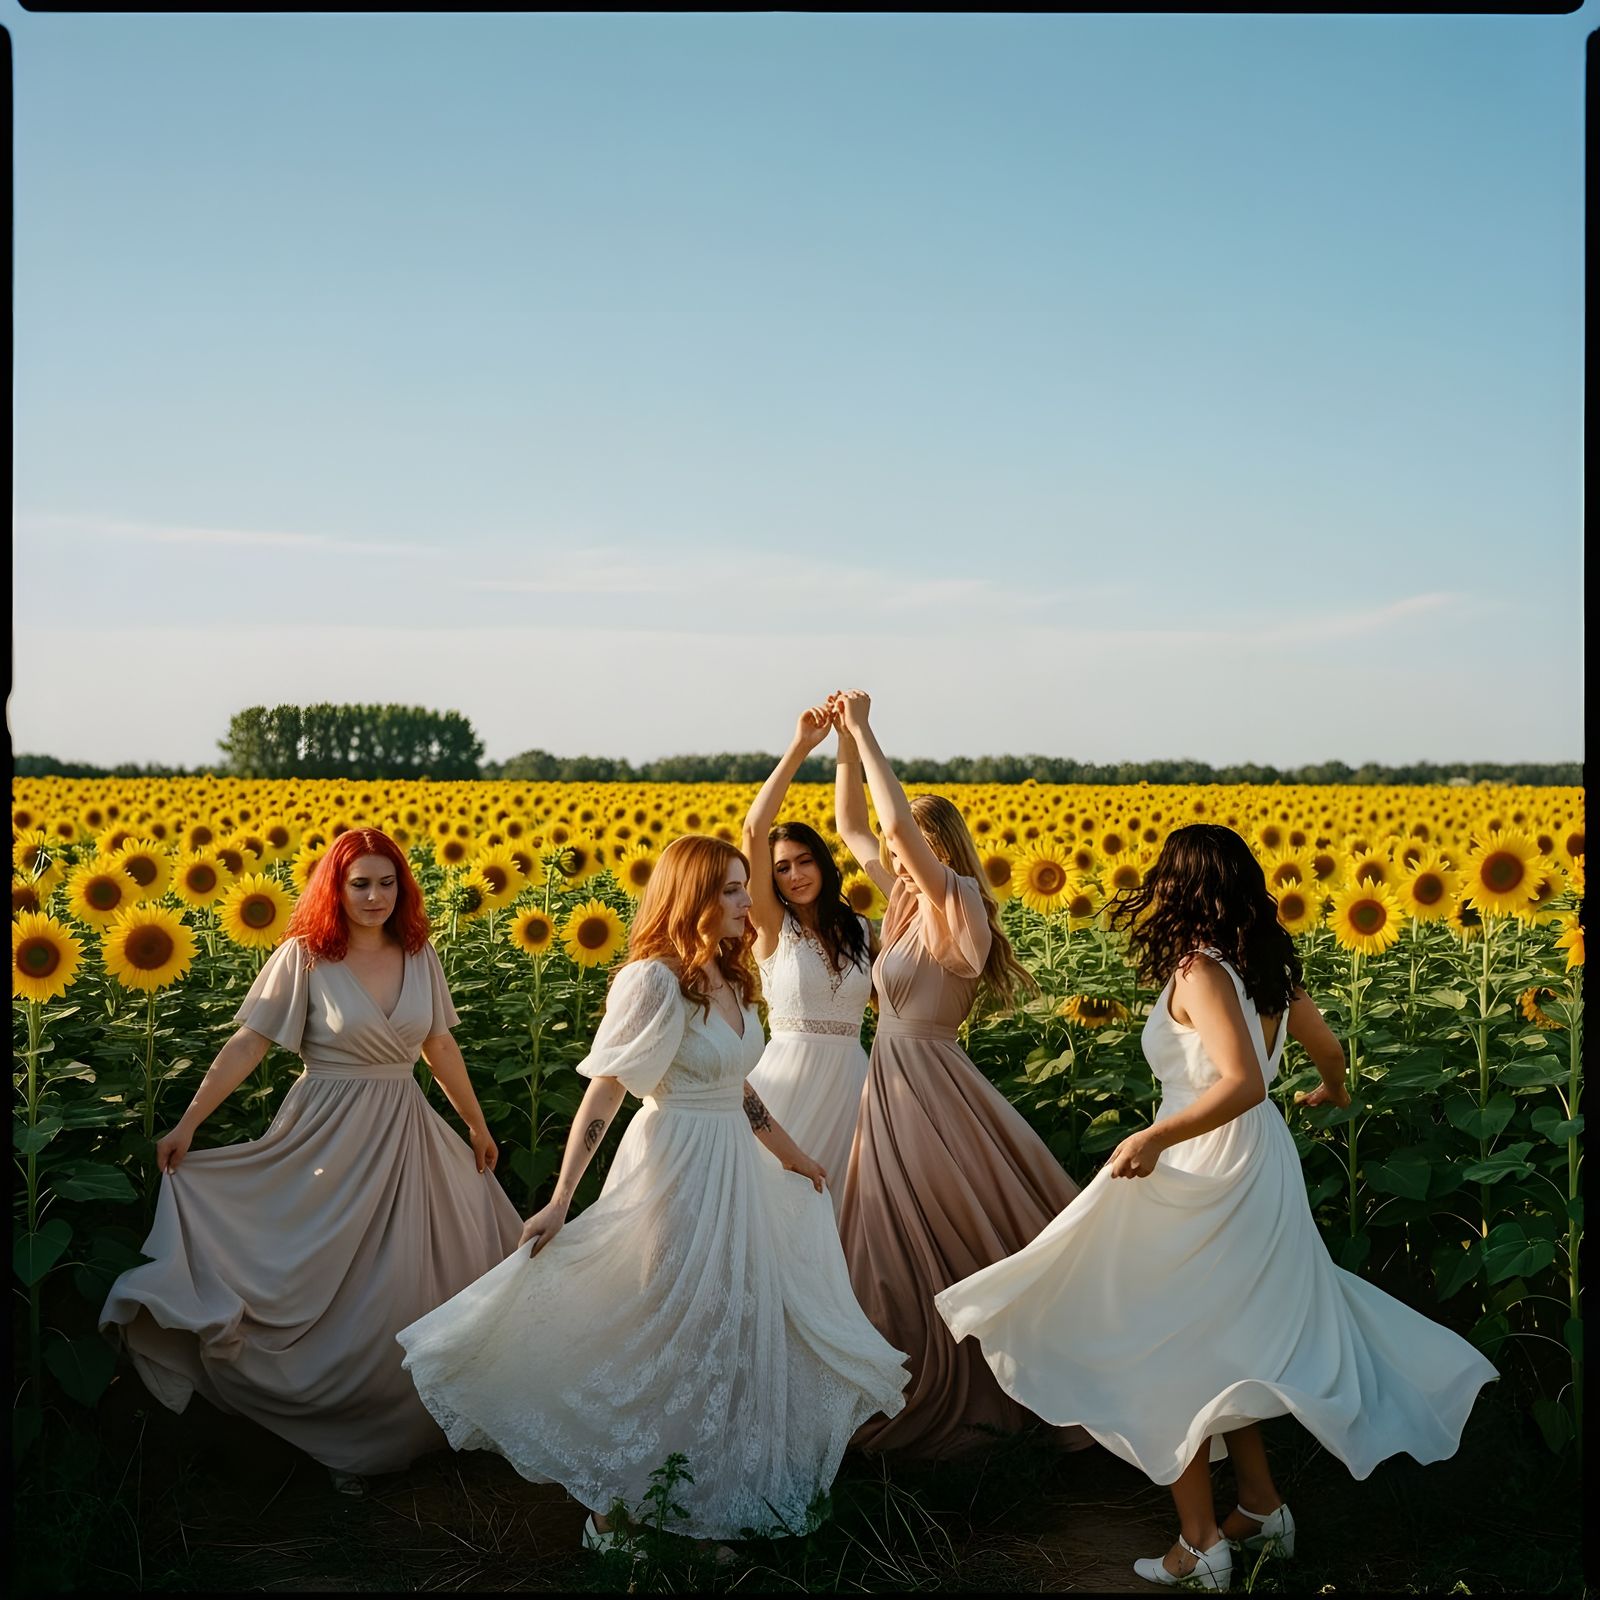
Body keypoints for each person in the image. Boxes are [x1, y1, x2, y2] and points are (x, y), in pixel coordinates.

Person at [935, 823, 1499, 1590]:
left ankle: (1200, 1544)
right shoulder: (1267, 965)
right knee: (1223, 1342)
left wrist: (1156, 1137)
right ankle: (1262, 1508)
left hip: (1203, 1164)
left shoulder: (1200, 969)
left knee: (1162, 1340)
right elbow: (1328, 1051)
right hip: (1258, 1163)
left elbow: (1242, 1083)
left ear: (1183, 886)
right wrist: (1330, 1092)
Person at [395, 834, 909, 1549]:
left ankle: (694, 1499)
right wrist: (561, 1197)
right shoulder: (652, 981)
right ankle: (610, 1509)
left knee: (724, 1324)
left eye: (742, 888)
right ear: (694, 896)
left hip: (736, 1166)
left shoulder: (733, 978)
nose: (746, 901)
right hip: (673, 1163)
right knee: (664, 1321)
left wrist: (793, 1155)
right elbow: (606, 1092)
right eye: (731, 890)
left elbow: (739, 1089)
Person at [100, 828, 523, 1494]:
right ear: (336, 886)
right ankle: (329, 1438)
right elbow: (249, 1045)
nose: (376, 896)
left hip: (406, 1133)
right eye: (361, 883)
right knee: (319, 1279)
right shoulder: (304, 957)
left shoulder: (420, 954)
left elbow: (439, 1046)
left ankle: (394, 1439)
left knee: (401, 1287)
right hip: (323, 1135)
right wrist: (189, 1123)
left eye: (388, 882)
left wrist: (475, 1123)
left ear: (403, 888)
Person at [828, 689, 1090, 1461]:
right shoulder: (907, 901)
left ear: (933, 845)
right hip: (891, 1080)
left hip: (930, 1083)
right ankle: (890, 1367)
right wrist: (840, 740)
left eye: (903, 842)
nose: (888, 849)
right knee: (885, 1232)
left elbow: (894, 826)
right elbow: (852, 827)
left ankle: (981, 1388)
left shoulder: (955, 898)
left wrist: (870, 730)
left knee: (944, 1223)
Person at [742, 704, 878, 1225]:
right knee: (774, 1208)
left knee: (839, 1212)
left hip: (850, 1084)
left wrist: (849, 741)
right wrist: (801, 745)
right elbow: (755, 829)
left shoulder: (863, 929)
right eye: (782, 868)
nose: (795, 874)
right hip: (786, 1085)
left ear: (821, 862)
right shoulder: (772, 926)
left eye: (804, 861)